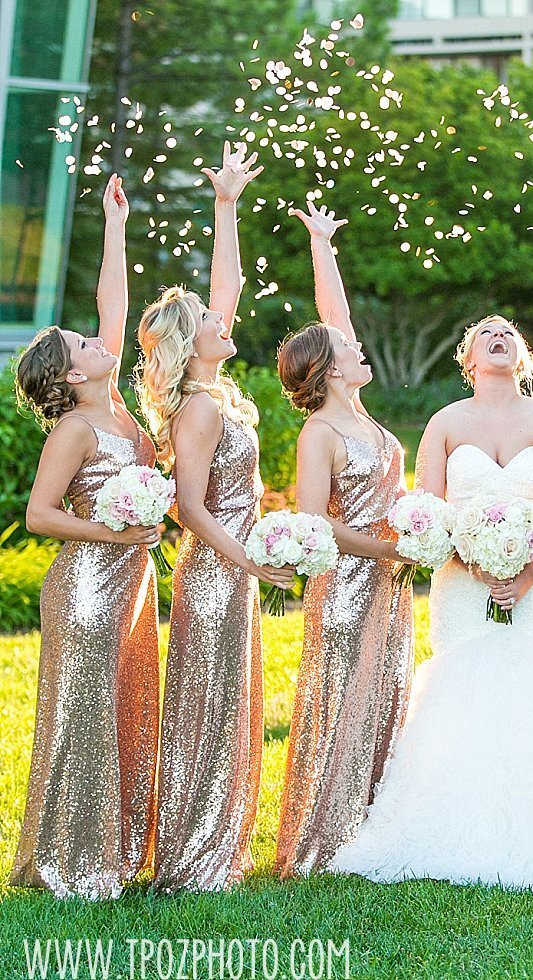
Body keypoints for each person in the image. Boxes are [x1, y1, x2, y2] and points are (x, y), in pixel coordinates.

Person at [330, 316, 533, 888]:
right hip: (462, 582)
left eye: (508, 330)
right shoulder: (445, 423)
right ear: (470, 358)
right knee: (466, 688)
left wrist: (528, 575)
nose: (499, 336)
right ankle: (458, 824)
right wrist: (470, 561)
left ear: (522, 353)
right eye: (486, 334)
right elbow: (428, 511)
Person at [136, 142, 294, 892]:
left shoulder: (217, 387)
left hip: (235, 568)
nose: (225, 318)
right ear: (188, 341)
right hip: (215, 571)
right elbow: (190, 509)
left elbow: (224, 283)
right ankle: (193, 860)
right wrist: (251, 560)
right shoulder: (197, 408)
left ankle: (216, 848)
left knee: (230, 700)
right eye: (210, 319)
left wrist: (226, 204)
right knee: (206, 705)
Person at [11, 175, 161, 899]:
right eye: (84, 343)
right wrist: (108, 531)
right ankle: (67, 864)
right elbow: (40, 514)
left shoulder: (122, 410)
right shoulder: (76, 427)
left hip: (131, 581)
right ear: (73, 373)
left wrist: (114, 226)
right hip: (87, 588)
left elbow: (117, 305)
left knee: (125, 706)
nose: (100, 340)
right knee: (85, 715)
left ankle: (116, 852)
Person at [274, 202, 413, 878]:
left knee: (387, 696)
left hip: (392, 580)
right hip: (351, 584)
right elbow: (313, 519)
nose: (358, 347)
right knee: (342, 706)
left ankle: (373, 832)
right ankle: (325, 842)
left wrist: (322, 244)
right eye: (348, 350)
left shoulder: (362, 415)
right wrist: (386, 548)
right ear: (330, 370)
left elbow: (338, 318)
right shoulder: (320, 433)